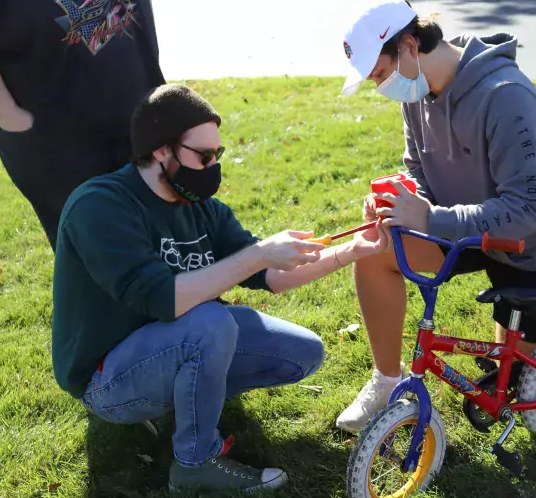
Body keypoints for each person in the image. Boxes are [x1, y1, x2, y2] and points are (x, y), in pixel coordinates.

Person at [51, 84, 388, 493]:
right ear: (161, 150)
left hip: (172, 344)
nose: (212, 166)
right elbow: (162, 298)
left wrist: (353, 250)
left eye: (218, 154)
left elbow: (273, 276)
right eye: (204, 156)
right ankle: (195, 462)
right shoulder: (100, 205)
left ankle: (186, 397)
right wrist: (257, 254)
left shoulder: (200, 208)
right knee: (209, 323)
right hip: (107, 379)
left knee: (302, 353)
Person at [334, 0, 536, 434]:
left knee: (525, 381)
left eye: (380, 74)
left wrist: (430, 219)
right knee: (374, 248)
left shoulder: (506, 97)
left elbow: (528, 211)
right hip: (465, 228)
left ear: (409, 46)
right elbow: (419, 171)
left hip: (535, 245)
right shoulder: (418, 88)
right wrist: (401, 203)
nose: (380, 87)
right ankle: (387, 381)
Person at [0, 0, 165, 251]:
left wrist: (149, 63)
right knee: (98, 252)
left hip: (136, 104)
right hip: (55, 130)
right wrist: (7, 114)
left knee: (162, 236)